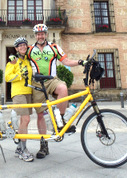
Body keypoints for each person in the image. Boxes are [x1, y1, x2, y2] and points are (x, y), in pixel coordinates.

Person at [27, 24, 87, 159]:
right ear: (35, 35)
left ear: (46, 34)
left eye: (42, 34)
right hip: (37, 83)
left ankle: (60, 122)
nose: (40, 36)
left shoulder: (54, 47)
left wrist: (81, 62)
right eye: (38, 34)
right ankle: (44, 145)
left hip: (52, 79)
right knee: (41, 115)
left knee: (63, 88)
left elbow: (66, 61)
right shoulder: (30, 50)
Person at [5, 37, 34, 162]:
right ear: (16, 48)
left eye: (24, 45)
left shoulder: (28, 60)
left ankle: (19, 148)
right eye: (20, 45)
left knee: (24, 120)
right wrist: (19, 75)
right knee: (26, 119)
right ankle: (23, 150)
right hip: (18, 93)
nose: (23, 47)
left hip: (28, 92)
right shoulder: (13, 61)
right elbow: (7, 77)